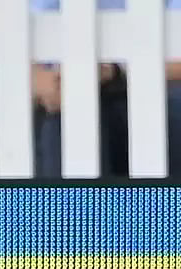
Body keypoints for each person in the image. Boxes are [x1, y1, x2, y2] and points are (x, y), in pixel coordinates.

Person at [31, 0, 181, 177]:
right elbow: (17, 37)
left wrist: (113, 72)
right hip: (64, 93)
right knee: (65, 120)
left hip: (150, 87)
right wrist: (42, 81)